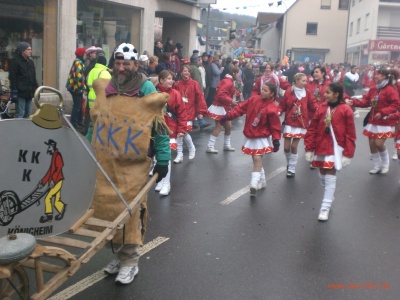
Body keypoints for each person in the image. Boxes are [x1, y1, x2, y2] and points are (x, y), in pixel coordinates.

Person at [90, 43, 170, 284]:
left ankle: (130, 261)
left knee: (130, 211)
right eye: (118, 63)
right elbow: (98, 121)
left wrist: (163, 158)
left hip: (134, 164)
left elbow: (159, 126)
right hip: (107, 159)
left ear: (136, 65)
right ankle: (119, 254)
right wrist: (86, 145)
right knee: (107, 210)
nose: (121, 67)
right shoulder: (109, 87)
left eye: (126, 63)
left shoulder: (145, 89)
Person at [305, 82, 356, 221]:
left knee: (330, 174)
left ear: (336, 94)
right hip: (321, 145)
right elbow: (312, 128)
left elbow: (351, 134)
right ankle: (329, 194)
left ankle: (325, 207)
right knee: (322, 173)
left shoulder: (346, 110)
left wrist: (347, 153)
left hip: (336, 148)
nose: (324, 94)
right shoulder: (322, 108)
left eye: (327, 92)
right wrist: (309, 148)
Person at [220, 82, 281, 195]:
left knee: (257, 158)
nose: (262, 92)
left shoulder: (272, 108)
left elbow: (275, 126)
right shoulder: (254, 99)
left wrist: (276, 140)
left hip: (261, 136)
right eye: (262, 89)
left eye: (266, 90)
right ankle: (262, 181)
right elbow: (240, 108)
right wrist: (228, 116)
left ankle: (253, 183)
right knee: (255, 158)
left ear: (272, 94)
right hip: (251, 133)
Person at [346, 68, 400, 174]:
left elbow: (396, 104)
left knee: (378, 143)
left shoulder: (390, 90)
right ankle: (376, 165)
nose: (376, 76)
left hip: (384, 121)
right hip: (373, 119)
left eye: (378, 75)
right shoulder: (374, 89)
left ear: (384, 77)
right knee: (371, 143)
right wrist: (353, 102)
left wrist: (383, 112)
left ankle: (385, 165)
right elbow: (366, 102)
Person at [155, 70, 189, 195]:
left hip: (170, 130)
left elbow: (181, 112)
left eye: (172, 78)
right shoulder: (154, 92)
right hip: (156, 129)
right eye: (168, 78)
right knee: (156, 158)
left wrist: (181, 129)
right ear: (161, 80)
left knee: (166, 157)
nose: (171, 81)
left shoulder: (175, 94)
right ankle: (160, 180)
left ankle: (166, 183)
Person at [279, 73, 318, 177]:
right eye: (303, 81)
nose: (306, 83)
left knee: (293, 146)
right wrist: (278, 111)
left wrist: (319, 109)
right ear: (296, 81)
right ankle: (289, 163)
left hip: (301, 123)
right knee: (286, 148)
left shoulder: (308, 93)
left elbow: (313, 104)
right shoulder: (289, 91)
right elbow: (282, 104)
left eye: (306, 81)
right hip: (289, 122)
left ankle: (291, 168)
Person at [206, 66, 241, 153]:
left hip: (224, 107)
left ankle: (226, 145)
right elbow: (221, 95)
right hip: (220, 107)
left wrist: (237, 94)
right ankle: (210, 146)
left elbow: (228, 91)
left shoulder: (228, 81)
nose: (238, 76)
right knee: (219, 127)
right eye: (238, 73)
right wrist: (231, 101)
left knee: (228, 126)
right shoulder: (228, 82)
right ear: (234, 73)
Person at [38, 139, 67, 223]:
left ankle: (49, 216)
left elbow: (59, 167)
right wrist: (42, 182)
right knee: (56, 200)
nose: (48, 148)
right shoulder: (54, 155)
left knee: (48, 198)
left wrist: (53, 181)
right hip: (56, 181)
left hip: (57, 181)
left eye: (49, 146)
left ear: (52, 147)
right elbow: (50, 171)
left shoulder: (57, 155)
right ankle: (63, 208)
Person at [174, 64, 210, 133]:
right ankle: (187, 144)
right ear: (181, 73)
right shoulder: (177, 84)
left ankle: (184, 144)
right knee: (182, 133)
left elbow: (200, 98)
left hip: (190, 112)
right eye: (184, 71)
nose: (186, 72)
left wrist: (201, 112)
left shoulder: (194, 84)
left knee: (185, 132)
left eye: (188, 71)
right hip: (179, 112)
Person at [9, 41, 38, 118]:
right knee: (20, 113)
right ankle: (18, 129)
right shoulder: (15, 61)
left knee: (28, 113)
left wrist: (36, 89)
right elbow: (12, 77)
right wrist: (14, 89)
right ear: (22, 51)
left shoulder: (31, 62)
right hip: (20, 92)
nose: (30, 51)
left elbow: (33, 76)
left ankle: (25, 129)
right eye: (28, 49)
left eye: (30, 49)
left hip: (29, 91)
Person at [85, 55, 111, 141]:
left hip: (90, 100)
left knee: (92, 122)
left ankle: (88, 141)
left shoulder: (91, 71)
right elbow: (109, 88)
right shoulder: (105, 73)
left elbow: (88, 83)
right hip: (100, 100)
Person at [65, 47, 87, 128]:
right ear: (82, 54)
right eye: (84, 53)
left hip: (75, 87)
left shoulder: (78, 62)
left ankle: (79, 121)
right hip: (75, 88)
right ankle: (74, 122)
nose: (86, 55)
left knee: (79, 104)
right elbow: (79, 77)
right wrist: (83, 87)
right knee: (77, 105)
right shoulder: (78, 63)